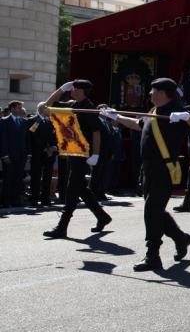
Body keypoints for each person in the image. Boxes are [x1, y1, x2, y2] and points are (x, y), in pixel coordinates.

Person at [101, 78, 190, 271]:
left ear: (162, 93)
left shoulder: (175, 112)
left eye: (152, 91)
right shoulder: (153, 112)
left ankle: (152, 255)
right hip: (148, 168)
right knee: (154, 209)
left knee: (151, 210)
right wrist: (116, 116)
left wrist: (186, 117)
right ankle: (181, 238)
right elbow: (138, 124)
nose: (149, 94)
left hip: (164, 168)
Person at [42, 80, 112, 238]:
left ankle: (62, 227)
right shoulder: (72, 104)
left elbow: (96, 132)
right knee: (80, 187)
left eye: (73, 88)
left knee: (72, 187)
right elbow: (46, 107)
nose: (71, 90)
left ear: (81, 90)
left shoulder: (89, 108)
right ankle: (102, 216)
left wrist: (96, 154)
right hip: (73, 151)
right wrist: (60, 90)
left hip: (84, 154)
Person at [26, 102, 58, 207]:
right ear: (42, 109)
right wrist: (45, 148)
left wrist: (53, 147)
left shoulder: (50, 121)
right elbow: (33, 136)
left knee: (48, 177)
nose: (49, 110)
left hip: (49, 154)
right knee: (36, 176)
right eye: (47, 108)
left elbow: (54, 136)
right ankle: (34, 199)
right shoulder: (33, 120)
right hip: (38, 153)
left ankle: (45, 198)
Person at [1, 101, 31, 207]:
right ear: (12, 108)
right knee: (8, 178)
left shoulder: (23, 122)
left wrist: (28, 154)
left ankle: (16, 200)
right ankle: (6, 201)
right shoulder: (4, 121)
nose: (20, 109)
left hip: (21, 155)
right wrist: (5, 155)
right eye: (18, 107)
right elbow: (3, 139)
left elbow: (26, 139)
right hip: (9, 156)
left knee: (18, 179)